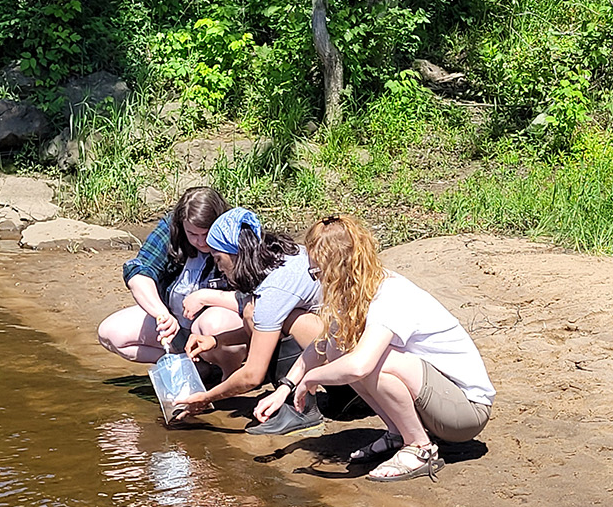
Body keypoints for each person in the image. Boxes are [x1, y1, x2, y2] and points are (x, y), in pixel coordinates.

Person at [255, 215, 495, 482]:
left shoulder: (389, 295)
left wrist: (312, 378)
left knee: (371, 362)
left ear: (339, 267)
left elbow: (360, 365)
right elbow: (323, 345)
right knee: (341, 350)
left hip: (466, 412)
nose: (318, 281)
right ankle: (398, 433)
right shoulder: (356, 293)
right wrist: (285, 387)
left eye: (318, 273)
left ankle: (420, 447)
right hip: (436, 399)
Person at [178, 207, 328, 435]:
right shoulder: (282, 256)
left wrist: (206, 397)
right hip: (346, 337)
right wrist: (215, 341)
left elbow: (252, 375)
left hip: (348, 348)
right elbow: (262, 328)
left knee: (268, 314)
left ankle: (301, 409)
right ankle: (342, 396)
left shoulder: (275, 289)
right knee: (253, 311)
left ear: (236, 254)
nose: (218, 267)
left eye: (218, 259)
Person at [97, 187, 244, 376]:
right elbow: (139, 270)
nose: (200, 242)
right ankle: (196, 367)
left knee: (211, 323)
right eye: (193, 234)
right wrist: (162, 315)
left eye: (206, 234)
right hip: (179, 322)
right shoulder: (171, 228)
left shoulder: (236, 235)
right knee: (110, 333)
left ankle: (230, 375)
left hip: (224, 327)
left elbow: (257, 300)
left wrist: (206, 297)